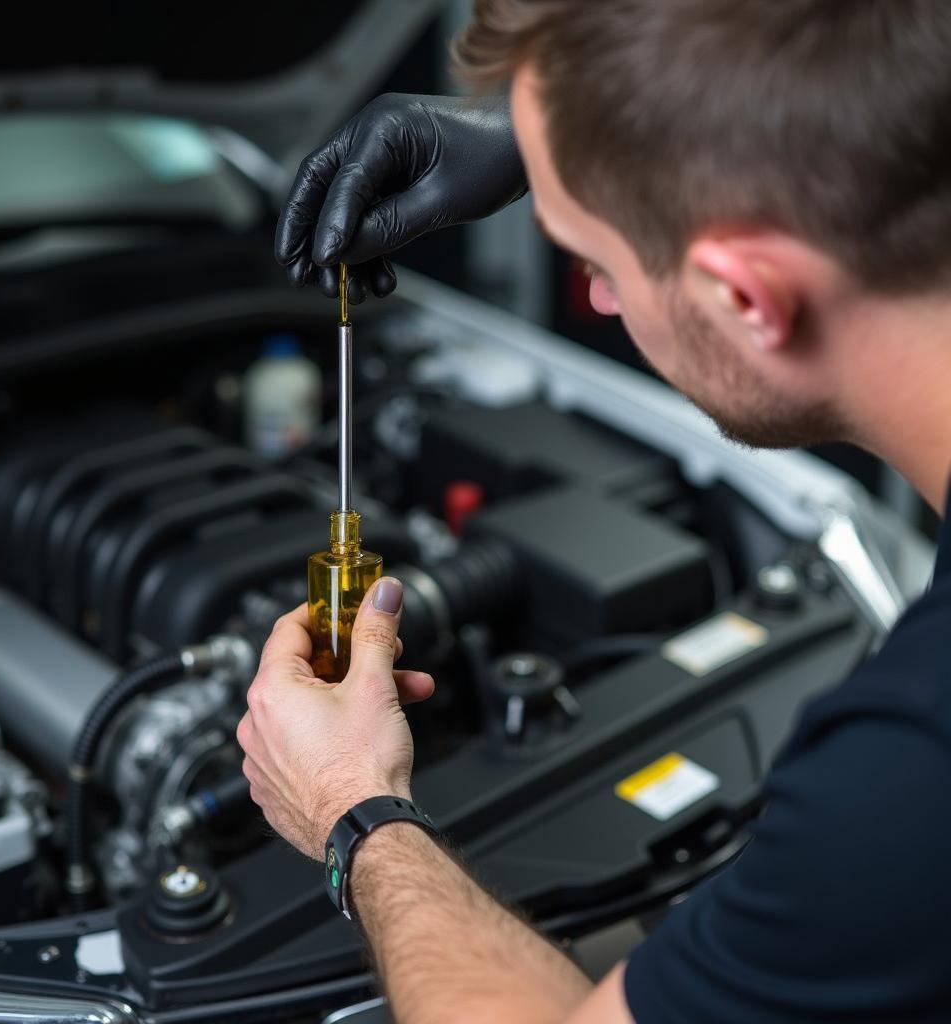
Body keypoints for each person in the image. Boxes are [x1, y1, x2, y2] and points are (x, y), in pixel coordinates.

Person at [236, 1, 951, 1020]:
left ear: (746, 296)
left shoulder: (908, 775)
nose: (602, 301)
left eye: (594, 266)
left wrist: (353, 811)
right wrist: (552, 139)